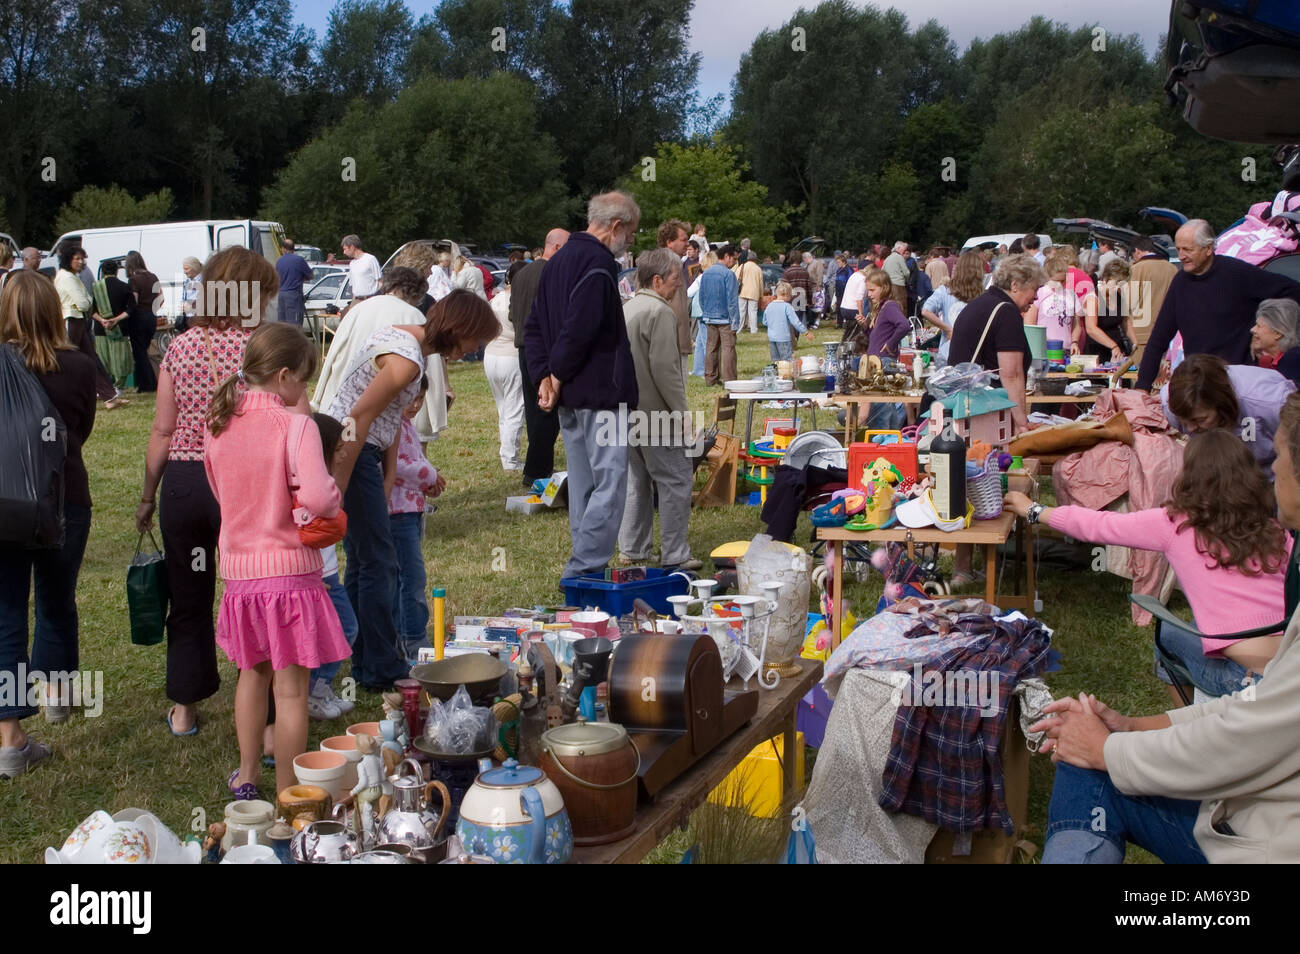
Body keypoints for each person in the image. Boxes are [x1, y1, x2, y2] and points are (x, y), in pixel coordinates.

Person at [1031, 390, 1300, 864]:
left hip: (1255, 825)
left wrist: (1032, 510)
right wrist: (1132, 730)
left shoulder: (1175, 525)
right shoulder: (1278, 535)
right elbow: (1256, 708)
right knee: (1091, 750)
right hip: (1257, 689)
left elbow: (1245, 736)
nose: (1273, 470)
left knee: (1167, 641)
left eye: (1279, 458)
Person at [1006, 429, 1287, 700]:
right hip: (1289, 670)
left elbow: (1097, 525)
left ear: (1189, 477)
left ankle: (1186, 729)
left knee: (1167, 634)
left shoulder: (1174, 524)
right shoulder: (1274, 529)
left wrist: (1033, 510)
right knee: (1192, 623)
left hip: (1245, 682)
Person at [206, 322, 349, 798]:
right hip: (290, 574)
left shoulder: (219, 424)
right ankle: (290, 788)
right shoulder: (297, 426)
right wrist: (328, 494)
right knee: (291, 693)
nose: (304, 390)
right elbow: (319, 497)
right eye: (304, 380)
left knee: (252, 675)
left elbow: (219, 492)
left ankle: (247, 776)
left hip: (241, 577)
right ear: (285, 376)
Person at [328, 289, 497, 690]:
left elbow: (386, 422)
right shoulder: (405, 362)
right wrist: (337, 486)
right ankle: (382, 668)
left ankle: (365, 661)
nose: (474, 349)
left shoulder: (408, 345)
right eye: (476, 340)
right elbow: (356, 419)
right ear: (461, 329)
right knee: (380, 564)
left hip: (366, 452)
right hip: (350, 450)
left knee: (365, 561)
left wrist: (385, 482)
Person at [137, 246, 273, 737]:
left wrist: (149, 494)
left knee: (188, 596)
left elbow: (162, 430)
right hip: (243, 482)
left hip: (186, 484)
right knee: (257, 591)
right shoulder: (265, 347)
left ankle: (185, 708)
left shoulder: (181, 346)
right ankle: (261, 701)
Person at [0, 272, 96, 776]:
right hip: (63, 501)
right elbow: (78, 432)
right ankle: (58, 695)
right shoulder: (78, 367)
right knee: (57, 601)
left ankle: (11, 738)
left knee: (7, 613)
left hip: (4, 504)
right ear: (56, 313)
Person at [525, 190, 640, 579]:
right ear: (616, 226)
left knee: (585, 485)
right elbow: (580, 328)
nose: (631, 241)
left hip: (571, 393)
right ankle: (584, 566)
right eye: (632, 232)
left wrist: (546, 376)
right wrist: (552, 375)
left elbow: (535, 325)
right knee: (609, 485)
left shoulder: (556, 262)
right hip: (599, 394)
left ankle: (585, 566)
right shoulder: (597, 262)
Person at [1137, 220, 1300, 391]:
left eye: (1188, 249)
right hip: (1199, 383)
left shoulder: (1237, 274)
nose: (1181, 256)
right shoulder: (1180, 283)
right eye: (1178, 249)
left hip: (1237, 384)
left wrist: (1280, 327)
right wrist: (1142, 386)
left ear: (1208, 249)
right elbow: (1159, 339)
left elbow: (1291, 290)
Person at [617, 248, 701, 572]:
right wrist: (682, 414)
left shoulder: (627, 309)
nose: (679, 284)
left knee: (636, 482)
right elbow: (666, 369)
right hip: (657, 414)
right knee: (676, 479)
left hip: (628, 412)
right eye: (674, 279)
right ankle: (675, 552)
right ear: (657, 280)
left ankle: (633, 549)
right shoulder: (660, 312)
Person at [314, 268, 452, 444]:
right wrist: (432, 416)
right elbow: (430, 369)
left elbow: (334, 352)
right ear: (416, 294)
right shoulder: (414, 316)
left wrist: (320, 397)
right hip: (380, 419)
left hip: (341, 404)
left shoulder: (359, 308)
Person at [948, 253, 1044, 433]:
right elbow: (1011, 374)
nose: (1036, 296)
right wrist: (1022, 423)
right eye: (1034, 289)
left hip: (964, 407)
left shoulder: (981, 303)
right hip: (986, 414)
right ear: (1015, 285)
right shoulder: (1006, 312)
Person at [387, 377, 445, 663]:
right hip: (397, 513)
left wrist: (429, 479)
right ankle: (413, 640)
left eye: (421, 399)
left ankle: (404, 636)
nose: (416, 405)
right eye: (412, 398)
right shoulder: (390, 426)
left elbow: (417, 460)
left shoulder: (404, 424)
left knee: (406, 576)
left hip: (409, 509)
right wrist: (430, 477)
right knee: (411, 577)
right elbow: (396, 466)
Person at [306, 413, 357, 721]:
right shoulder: (308, 488)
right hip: (317, 577)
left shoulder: (323, 484)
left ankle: (318, 688)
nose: (342, 454)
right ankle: (313, 690)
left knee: (341, 630)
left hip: (327, 573)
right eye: (337, 449)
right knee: (343, 629)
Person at [1161, 353, 1295, 470]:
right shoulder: (1171, 408)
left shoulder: (1271, 403)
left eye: (1200, 420)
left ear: (1221, 403)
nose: (1189, 428)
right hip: (1223, 477)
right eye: (1183, 422)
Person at [512, 229, 568, 486]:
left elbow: (513, 313)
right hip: (543, 348)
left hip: (524, 348)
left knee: (535, 411)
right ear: (555, 248)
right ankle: (536, 470)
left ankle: (536, 467)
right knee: (547, 409)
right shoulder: (552, 274)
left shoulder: (522, 273)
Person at [55, 244, 123, 410]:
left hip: (77, 320)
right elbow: (84, 302)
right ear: (68, 260)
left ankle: (109, 396)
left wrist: (86, 303)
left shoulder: (71, 276)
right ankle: (62, 394)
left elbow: (86, 301)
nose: (80, 262)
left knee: (91, 358)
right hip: (72, 320)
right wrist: (86, 303)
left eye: (81, 259)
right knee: (69, 359)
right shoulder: (67, 277)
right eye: (76, 258)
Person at [485, 262, 526, 471]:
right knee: (515, 409)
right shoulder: (518, 301)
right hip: (511, 356)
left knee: (504, 408)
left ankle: (506, 453)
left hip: (491, 355)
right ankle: (510, 458)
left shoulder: (495, 299)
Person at [920, 250, 983, 366]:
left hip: (948, 352)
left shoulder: (945, 290)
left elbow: (925, 311)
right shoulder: (983, 295)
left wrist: (947, 329)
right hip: (974, 355)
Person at [1026, 248, 1089, 356]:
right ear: (1047, 277)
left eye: (1063, 280)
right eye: (1056, 281)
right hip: (1044, 350)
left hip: (1068, 349)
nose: (1060, 284)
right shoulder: (1039, 293)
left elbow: (1077, 324)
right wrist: (1047, 342)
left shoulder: (1071, 295)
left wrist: (1074, 342)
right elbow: (1029, 325)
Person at [700, 244, 742, 385]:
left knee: (711, 348)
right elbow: (732, 300)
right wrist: (735, 321)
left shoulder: (706, 273)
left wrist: (705, 312)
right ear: (726, 256)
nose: (735, 262)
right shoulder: (728, 275)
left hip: (709, 316)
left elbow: (701, 297)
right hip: (725, 318)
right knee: (728, 349)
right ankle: (730, 380)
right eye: (734, 259)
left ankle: (710, 379)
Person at [1128, 235, 1177, 355]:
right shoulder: (1172, 269)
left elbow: (1129, 302)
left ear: (1137, 251)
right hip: (1170, 331)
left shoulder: (1135, 270)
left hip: (1143, 334)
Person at [656, 220, 694, 374]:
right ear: (669, 242)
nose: (687, 244)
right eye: (683, 240)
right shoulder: (666, 264)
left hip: (674, 340)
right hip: (670, 342)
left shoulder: (674, 263)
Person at [90, 261, 134, 393]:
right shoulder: (124, 286)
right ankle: (119, 387)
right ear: (117, 271)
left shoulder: (96, 288)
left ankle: (105, 387)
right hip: (120, 328)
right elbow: (131, 308)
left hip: (101, 329)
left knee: (104, 359)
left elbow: (91, 310)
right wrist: (115, 320)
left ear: (102, 272)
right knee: (120, 359)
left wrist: (103, 320)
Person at [124, 251, 160, 392]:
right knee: (144, 350)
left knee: (139, 353)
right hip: (151, 316)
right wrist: (153, 309)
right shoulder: (153, 277)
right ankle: (150, 382)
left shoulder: (134, 280)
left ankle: (147, 384)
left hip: (139, 317)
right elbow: (160, 297)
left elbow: (135, 300)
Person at [1088, 260, 1138, 362]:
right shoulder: (1093, 298)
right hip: (1098, 350)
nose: (1118, 288)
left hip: (1118, 349)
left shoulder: (1119, 296)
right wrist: (1113, 346)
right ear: (1105, 278)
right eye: (1116, 284)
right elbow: (1091, 328)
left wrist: (1135, 343)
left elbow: (1125, 321)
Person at [1252, 298, 1300, 386]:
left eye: (1259, 326)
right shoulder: (1266, 362)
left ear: (1278, 333)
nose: (1252, 330)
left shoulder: (1294, 360)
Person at [687, 250, 718, 377]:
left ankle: (705, 370)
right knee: (701, 341)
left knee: (704, 342)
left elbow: (689, 292)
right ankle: (700, 369)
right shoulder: (717, 277)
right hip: (711, 310)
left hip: (700, 311)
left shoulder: (701, 277)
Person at [763, 282, 808, 362]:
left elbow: (765, 321)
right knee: (787, 361)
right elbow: (795, 322)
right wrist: (805, 332)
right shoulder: (787, 306)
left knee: (776, 361)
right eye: (790, 295)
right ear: (786, 295)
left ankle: (777, 374)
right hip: (784, 338)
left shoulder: (769, 306)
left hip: (772, 338)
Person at [275, 238, 313, 327]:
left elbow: (276, 278)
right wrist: (301, 278)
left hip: (281, 295)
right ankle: (294, 341)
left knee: (282, 324)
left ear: (283, 249)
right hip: (294, 295)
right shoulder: (299, 260)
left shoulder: (279, 261)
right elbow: (311, 275)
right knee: (294, 325)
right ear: (293, 248)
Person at [734, 243, 763, 335]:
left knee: (741, 311)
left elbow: (735, 278)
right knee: (753, 312)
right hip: (754, 292)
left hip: (742, 292)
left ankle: (739, 329)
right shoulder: (758, 269)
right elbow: (760, 283)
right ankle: (753, 330)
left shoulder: (742, 266)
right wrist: (761, 295)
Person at [342, 235, 382, 301]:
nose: (344, 252)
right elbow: (354, 286)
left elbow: (380, 282)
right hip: (356, 300)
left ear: (352, 247)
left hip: (370, 299)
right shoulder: (352, 264)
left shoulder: (370, 259)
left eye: (345, 249)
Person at [839, 257, 869, 331]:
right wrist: (861, 314)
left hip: (844, 307)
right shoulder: (863, 279)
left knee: (849, 332)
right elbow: (859, 298)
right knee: (857, 332)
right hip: (853, 309)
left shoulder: (854, 275)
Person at [882, 242, 910, 311]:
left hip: (889, 286)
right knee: (901, 306)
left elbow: (882, 271)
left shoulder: (887, 258)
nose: (904, 252)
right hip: (899, 286)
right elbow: (906, 273)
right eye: (903, 250)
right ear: (898, 248)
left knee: (890, 306)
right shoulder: (899, 257)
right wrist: (906, 280)